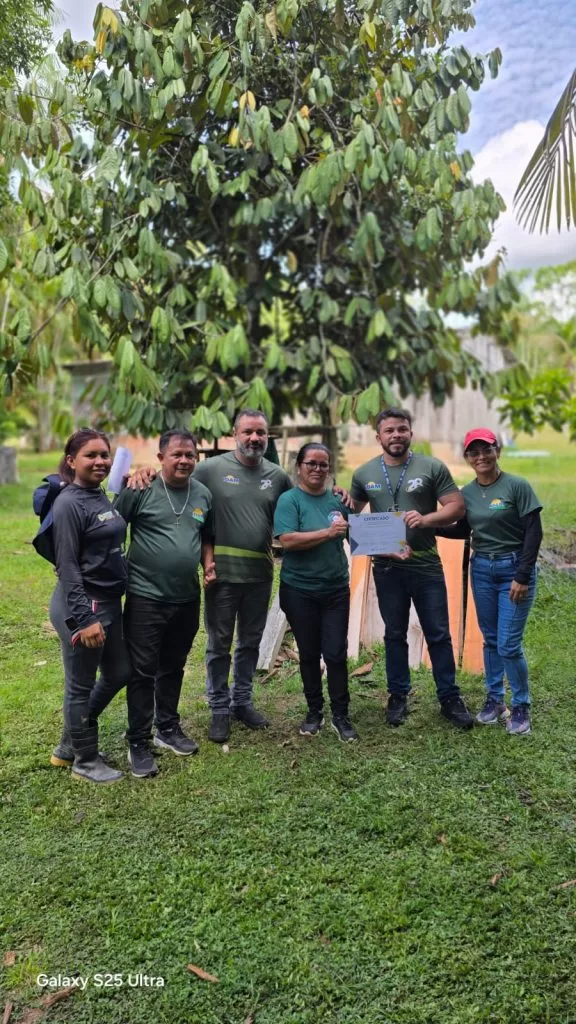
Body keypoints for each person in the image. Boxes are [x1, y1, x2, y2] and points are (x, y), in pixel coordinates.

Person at [350, 408, 474, 730]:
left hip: (426, 565)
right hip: (387, 568)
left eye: (402, 429)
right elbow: (353, 518)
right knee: (394, 633)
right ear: (378, 437)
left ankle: (449, 697)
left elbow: (456, 507)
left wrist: (426, 519)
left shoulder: (431, 467)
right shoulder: (364, 474)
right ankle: (398, 695)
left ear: (411, 433)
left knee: (438, 633)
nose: (396, 435)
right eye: (389, 430)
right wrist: (338, 500)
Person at [114, 430, 216, 778]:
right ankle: (138, 740)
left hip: (186, 597)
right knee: (142, 671)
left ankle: (167, 727)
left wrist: (208, 563)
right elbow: (111, 529)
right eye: (177, 454)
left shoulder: (202, 494)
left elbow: (205, 536)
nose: (184, 460)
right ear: (160, 458)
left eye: (190, 455)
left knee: (173, 666)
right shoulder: (140, 488)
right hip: (146, 597)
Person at [441, 428, 543, 735]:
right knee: (491, 639)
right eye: (474, 452)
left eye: (486, 449)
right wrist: (427, 526)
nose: (481, 456)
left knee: (509, 644)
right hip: (482, 568)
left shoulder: (517, 486)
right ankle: (495, 699)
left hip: (514, 568)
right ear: (467, 457)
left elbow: (534, 532)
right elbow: (463, 530)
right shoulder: (467, 493)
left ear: (497, 451)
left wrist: (522, 575)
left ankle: (521, 705)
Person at [49, 429, 131, 784]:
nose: (100, 461)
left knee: (119, 672)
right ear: (71, 461)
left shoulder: (99, 495)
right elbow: (67, 566)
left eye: (104, 455)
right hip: (84, 605)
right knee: (79, 686)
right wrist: (84, 619)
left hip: (108, 602)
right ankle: (84, 760)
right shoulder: (69, 503)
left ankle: (70, 743)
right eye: (91, 455)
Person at [274, 444, 358, 742]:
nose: (318, 469)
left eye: (323, 464)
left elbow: (359, 534)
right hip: (300, 590)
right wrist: (327, 533)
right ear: (299, 466)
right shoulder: (289, 500)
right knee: (309, 653)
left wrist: (393, 546)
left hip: (335, 589)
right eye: (311, 463)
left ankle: (341, 714)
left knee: (335, 653)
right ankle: (314, 711)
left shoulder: (338, 499)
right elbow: (287, 540)